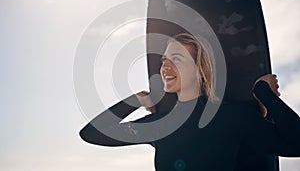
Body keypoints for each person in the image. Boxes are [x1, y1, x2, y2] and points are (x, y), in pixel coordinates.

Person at [79, 33, 300, 171]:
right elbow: (92, 134)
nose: (165, 67)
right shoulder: (160, 125)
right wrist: (135, 100)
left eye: (176, 59)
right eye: (164, 60)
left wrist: (264, 94)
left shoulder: (233, 117)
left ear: (199, 70)